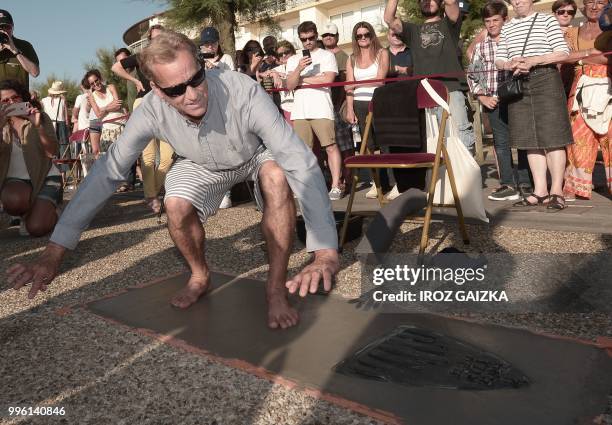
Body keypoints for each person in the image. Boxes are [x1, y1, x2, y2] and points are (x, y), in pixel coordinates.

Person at [6, 31, 339, 330]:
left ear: (202, 67)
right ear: (156, 89)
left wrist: (324, 249)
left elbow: (299, 161)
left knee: (278, 175)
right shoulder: (149, 109)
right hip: (199, 162)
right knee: (175, 204)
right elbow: (106, 173)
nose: (192, 94)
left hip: (253, 154)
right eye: (176, 89)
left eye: (196, 79)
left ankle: (275, 288)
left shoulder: (242, 89)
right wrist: (52, 253)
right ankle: (199, 274)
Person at [495, 0, 573, 210]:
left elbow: (563, 52)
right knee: (529, 138)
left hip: (546, 78)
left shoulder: (547, 19)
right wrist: (510, 63)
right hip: (518, 82)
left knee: (553, 137)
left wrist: (533, 60)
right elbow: (499, 58)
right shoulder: (508, 27)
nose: (517, 2)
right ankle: (540, 191)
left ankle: (556, 191)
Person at [384, 0, 476, 151]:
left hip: (451, 91)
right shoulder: (412, 30)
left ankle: (464, 175)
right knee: (433, 146)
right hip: (425, 95)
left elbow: (452, 3)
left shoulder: (449, 24)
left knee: (461, 141)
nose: (428, 2)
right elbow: (389, 18)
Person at [467, 1, 533, 201]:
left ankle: (526, 183)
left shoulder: (516, 39)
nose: (492, 24)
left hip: (517, 97)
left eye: (496, 20)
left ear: (505, 19)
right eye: (487, 21)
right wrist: (482, 96)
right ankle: (508, 184)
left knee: (522, 141)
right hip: (493, 100)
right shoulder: (481, 47)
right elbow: (473, 74)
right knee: (501, 143)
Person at [111, 27, 174, 212]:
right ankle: (152, 197)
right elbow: (116, 67)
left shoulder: (171, 56)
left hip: (164, 104)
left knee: (168, 155)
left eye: (161, 38)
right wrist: (135, 81)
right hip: (144, 103)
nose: (157, 41)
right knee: (148, 155)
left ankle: (152, 192)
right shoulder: (142, 56)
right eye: (153, 39)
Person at [286, 21, 343, 201]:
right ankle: (308, 186)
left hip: (321, 108)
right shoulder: (294, 60)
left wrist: (301, 80)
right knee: (304, 151)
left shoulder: (327, 56)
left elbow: (327, 80)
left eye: (311, 38)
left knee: (330, 146)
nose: (308, 42)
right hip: (300, 111)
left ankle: (336, 185)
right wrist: (299, 70)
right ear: (300, 40)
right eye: (304, 39)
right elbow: (289, 85)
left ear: (316, 36)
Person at [560, 0, 610, 200]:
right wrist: (591, 55)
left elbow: (608, 58)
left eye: (601, 2)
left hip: (608, 87)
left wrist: (579, 58)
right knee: (578, 137)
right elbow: (563, 56)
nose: (595, 6)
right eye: (590, 2)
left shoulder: (611, 28)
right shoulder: (572, 32)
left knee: (609, 137)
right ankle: (576, 186)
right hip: (579, 88)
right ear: (583, 5)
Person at [0, 79, 60, 237]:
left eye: (15, 98)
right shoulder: (2, 125)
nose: (12, 102)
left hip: (46, 177)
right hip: (16, 183)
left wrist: (38, 127)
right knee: (13, 201)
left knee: (36, 228)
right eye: (5, 100)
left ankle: (49, 212)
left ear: (23, 97)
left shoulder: (40, 117)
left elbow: (52, 152)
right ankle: (28, 212)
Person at [321, 22, 355, 193]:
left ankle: (348, 179)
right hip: (322, 106)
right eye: (325, 34)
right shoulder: (319, 55)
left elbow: (344, 83)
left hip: (337, 106)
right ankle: (336, 178)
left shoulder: (343, 56)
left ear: (337, 37)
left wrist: (338, 105)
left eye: (331, 34)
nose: (328, 37)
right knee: (329, 145)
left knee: (345, 146)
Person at [0, 9, 39, 89]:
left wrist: (15, 50)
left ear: (13, 26)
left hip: (19, 100)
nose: (4, 31)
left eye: (7, 27)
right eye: (0, 27)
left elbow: (35, 73)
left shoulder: (25, 46)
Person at [41, 82, 70, 175]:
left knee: (50, 147)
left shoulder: (43, 100)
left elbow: (42, 114)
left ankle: (52, 171)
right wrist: (68, 129)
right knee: (63, 148)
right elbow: (66, 117)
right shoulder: (63, 100)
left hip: (49, 124)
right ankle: (63, 175)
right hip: (61, 124)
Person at [269, 40, 296, 124]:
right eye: (280, 54)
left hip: (304, 107)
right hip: (287, 109)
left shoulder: (301, 65)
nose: (284, 55)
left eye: (287, 52)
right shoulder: (278, 69)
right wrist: (275, 74)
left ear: (293, 52)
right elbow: (264, 73)